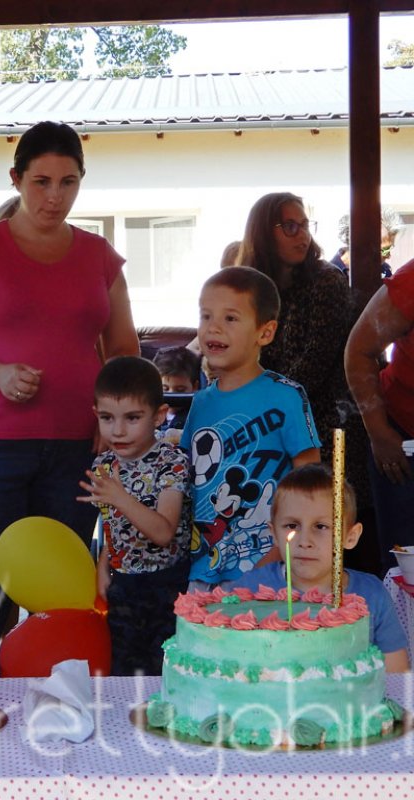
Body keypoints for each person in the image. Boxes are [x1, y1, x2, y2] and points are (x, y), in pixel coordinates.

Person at [0, 121, 139, 668]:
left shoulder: (100, 256)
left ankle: (60, 700)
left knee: (64, 592)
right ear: (16, 179)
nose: (54, 196)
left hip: (75, 450)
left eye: (68, 182)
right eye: (41, 181)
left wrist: (109, 417)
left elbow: (124, 352)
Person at [235, 192, 373, 573]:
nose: (303, 237)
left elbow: (309, 369)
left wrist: (253, 400)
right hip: (273, 425)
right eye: (290, 226)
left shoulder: (326, 282)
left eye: (305, 226)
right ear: (265, 233)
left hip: (328, 426)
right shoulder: (254, 288)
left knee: (326, 531)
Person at [181, 266, 321, 589]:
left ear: (265, 333)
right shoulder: (200, 403)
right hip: (203, 570)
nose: (213, 327)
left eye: (230, 318)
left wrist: (281, 553)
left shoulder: (286, 396)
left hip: (271, 570)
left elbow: (311, 486)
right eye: (205, 316)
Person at [234, 464, 409, 672]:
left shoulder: (372, 594)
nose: (304, 541)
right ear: (274, 534)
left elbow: (397, 673)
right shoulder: (248, 591)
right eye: (292, 525)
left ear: (350, 536)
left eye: (321, 526)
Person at [77, 356, 191, 675]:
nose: (118, 430)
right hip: (123, 583)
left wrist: (120, 497)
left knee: (164, 668)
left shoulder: (172, 462)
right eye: (107, 418)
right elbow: (111, 522)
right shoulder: (104, 466)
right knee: (122, 667)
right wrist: (103, 566)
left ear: (159, 416)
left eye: (132, 417)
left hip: (167, 585)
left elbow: (164, 532)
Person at [345, 257, 414, 572]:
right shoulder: (411, 280)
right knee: (403, 570)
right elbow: (359, 350)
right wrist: (379, 432)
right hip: (401, 439)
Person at [152, 345, 201, 436]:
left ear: (195, 387)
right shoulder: (149, 414)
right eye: (164, 388)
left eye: (180, 390)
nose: (171, 394)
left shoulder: (197, 417)